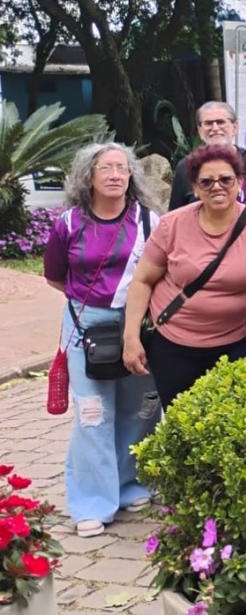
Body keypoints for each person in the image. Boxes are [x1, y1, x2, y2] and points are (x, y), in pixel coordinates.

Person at [43, 143, 164, 538]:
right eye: (105, 167)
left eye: (122, 168)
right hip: (86, 324)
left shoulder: (150, 221)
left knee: (140, 410)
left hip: (139, 325)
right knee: (93, 413)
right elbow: (55, 277)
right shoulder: (69, 223)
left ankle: (132, 485)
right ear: (88, 176)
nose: (115, 174)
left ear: (132, 176)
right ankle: (91, 503)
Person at [122, 145, 246, 406]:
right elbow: (142, 281)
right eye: (206, 182)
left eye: (225, 179)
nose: (216, 187)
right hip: (174, 346)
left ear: (240, 182)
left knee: (235, 426)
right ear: (195, 188)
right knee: (182, 426)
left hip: (238, 345)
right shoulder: (171, 225)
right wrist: (131, 337)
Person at [168, 101, 241, 210]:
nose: (215, 128)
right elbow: (175, 214)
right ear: (200, 130)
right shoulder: (186, 167)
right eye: (208, 123)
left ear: (234, 127)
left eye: (220, 122)